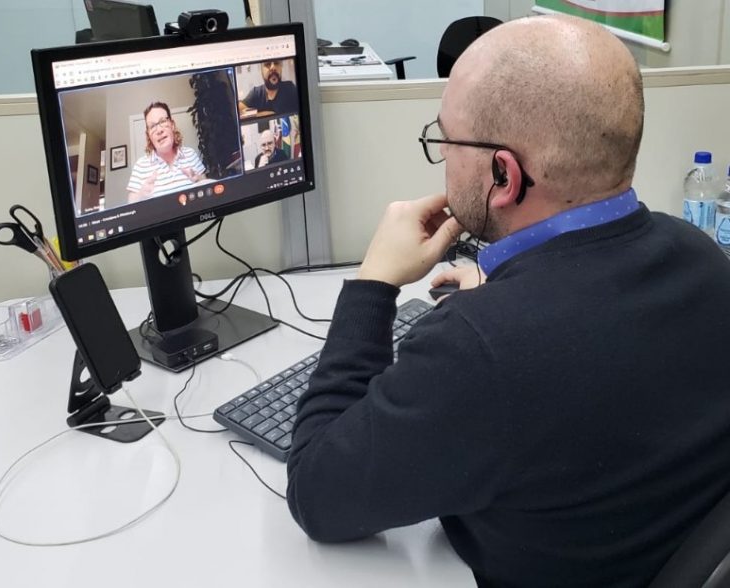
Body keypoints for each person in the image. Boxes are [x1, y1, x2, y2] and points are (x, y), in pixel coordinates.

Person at [286, 14, 730, 588]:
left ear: (504, 173)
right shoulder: (701, 256)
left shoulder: (479, 353)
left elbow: (318, 494)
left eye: (445, 138)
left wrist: (373, 285)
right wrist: (502, 298)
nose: (442, 155)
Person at [126, 102, 206, 203]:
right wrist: (141, 195)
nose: (159, 130)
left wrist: (199, 180)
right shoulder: (140, 166)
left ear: (172, 125)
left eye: (163, 121)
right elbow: (131, 203)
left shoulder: (191, 154)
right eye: (152, 126)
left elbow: (206, 188)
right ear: (148, 135)